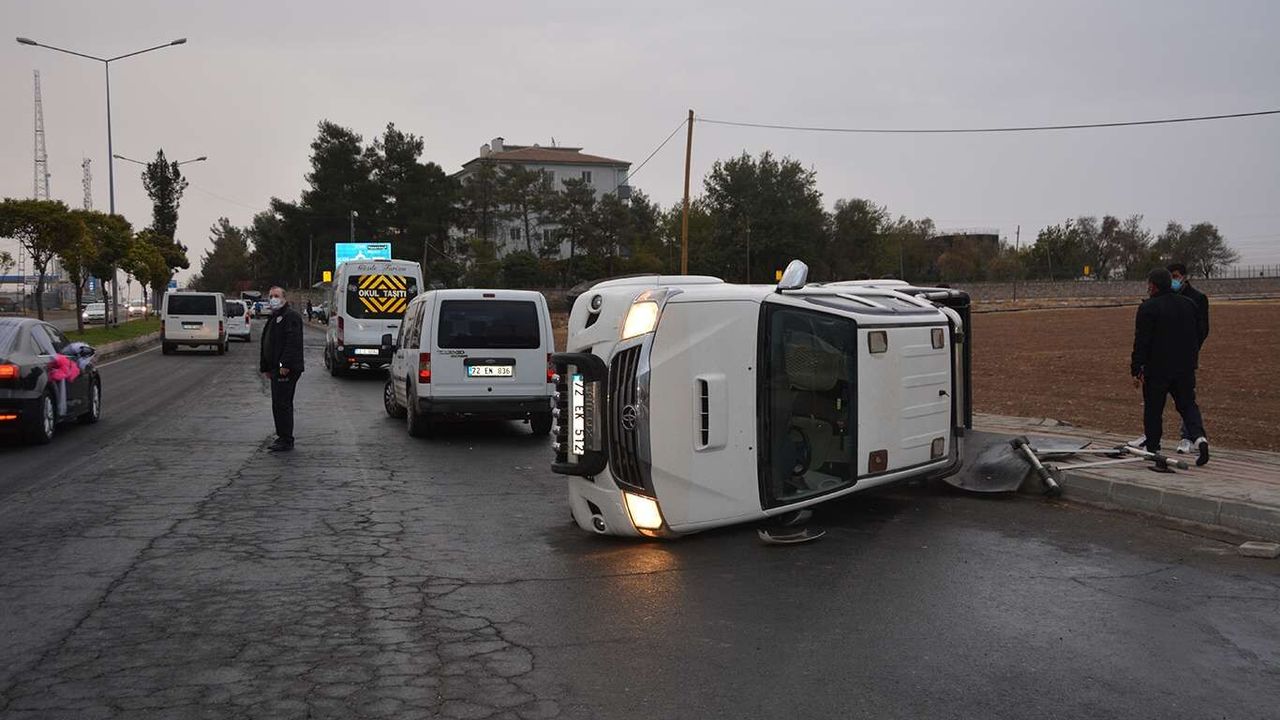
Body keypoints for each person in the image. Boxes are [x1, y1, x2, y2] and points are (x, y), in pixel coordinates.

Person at [1130, 267, 1209, 468]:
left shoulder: (1148, 308)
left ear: (1153, 286)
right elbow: (1199, 332)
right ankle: (1199, 438)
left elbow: (1142, 341)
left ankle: (1153, 449)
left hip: (1157, 368)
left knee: (1154, 409)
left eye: (1149, 284)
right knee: (1188, 404)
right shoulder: (1189, 304)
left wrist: (1136, 367)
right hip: (1185, 366)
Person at [260, 286, 305, 452]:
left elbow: (292, 343)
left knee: (283, 403)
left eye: (276, 296)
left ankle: (286, 439)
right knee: (277, 403)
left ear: (284, 298)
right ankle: (282, 436)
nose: (273, 299)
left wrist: (283, 365)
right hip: (275, 368)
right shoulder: (274, 317)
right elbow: (267, 342)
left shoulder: (290, 317)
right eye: (271, 296)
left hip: (286, 369)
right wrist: (266, 366)